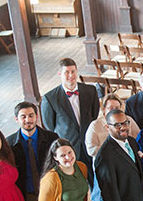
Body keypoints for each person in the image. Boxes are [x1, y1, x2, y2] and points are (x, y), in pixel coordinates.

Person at [86, 93, 140, 201]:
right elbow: (90, 148)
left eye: (117, 107)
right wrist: (111, 151)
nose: (114, 110)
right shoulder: (95, 125)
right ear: (104, 110)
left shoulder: (126, 120)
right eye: (110, 107)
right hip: (106, 167)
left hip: (125, 165)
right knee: (110, 200)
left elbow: (135, 136)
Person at [41, 58, 99, 188]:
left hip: (89, 144)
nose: (71, 75)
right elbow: (50, 126)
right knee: (74, 187)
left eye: (73, 71)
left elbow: (94, 115)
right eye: (66, 72)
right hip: (69, 150)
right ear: (60, 74)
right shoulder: (50, 98)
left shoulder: (90, 91)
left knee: (96, 183)